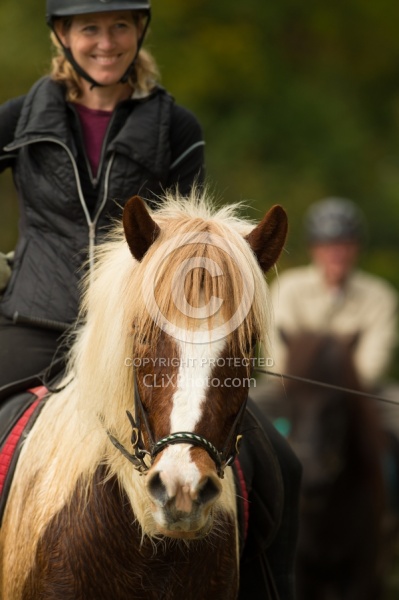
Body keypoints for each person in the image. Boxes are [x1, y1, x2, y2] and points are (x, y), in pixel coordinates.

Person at [0, 0, 205, 389]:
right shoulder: (17, 118)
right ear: (63, 35)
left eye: (120, 26)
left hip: (134, 331)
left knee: (242, 432)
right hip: (33, 321)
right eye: (89, 28)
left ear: (140, 30)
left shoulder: (177, 127)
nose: (107, 43)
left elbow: (189, 242)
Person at [270, 197, 398, 393]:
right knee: (248, 408)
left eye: (345, 244)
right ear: (313, 248)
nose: (336, 253)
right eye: (328, 245)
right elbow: (277, 355)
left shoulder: (380, 296)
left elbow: (374, 362)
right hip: (292, 390)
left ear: (357, 247)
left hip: (359, 394)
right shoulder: (288, 287)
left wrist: (339, 392)